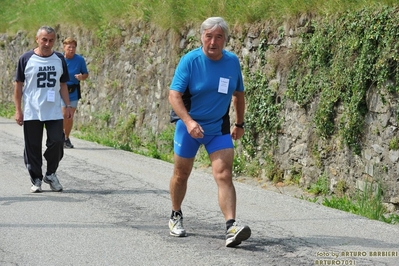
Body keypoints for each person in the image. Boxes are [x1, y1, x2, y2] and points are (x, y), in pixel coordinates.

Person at [168, 17, 251, 247]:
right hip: (190, 128)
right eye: (208, 36)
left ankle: (231, 226)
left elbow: (238, 94)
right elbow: (174, 95)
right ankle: (176, 214)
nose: (213, 41)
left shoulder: (232, 62)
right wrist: (188, 121)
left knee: (224, 174)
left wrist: (240, 123)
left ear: (225, 39)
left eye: (218, 37)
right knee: (181, 174)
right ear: (201, 37)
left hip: (218, 127)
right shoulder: (190, 61)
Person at [14, 26, 72, 193]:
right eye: (44, 39)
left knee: (57, 141)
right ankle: (36, 178)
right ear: (37, 39)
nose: (47, 43)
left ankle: (51, 173)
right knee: (32, 146)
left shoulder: (59, 59)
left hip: (53, 110)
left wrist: (67, 105)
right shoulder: (26, 58)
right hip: (32, 110)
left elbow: (62, 84)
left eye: (51, 40)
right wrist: (18, 110)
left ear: (55, 41)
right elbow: (18, 85)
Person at [61, 37, 89, 148]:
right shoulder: (59, 59)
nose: (71, 49)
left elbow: (86, 74)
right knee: (63, 114)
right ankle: (60, 136)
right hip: (61, 91)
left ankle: (66, 138)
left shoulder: (80, 60)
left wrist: (82, 77)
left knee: (69, 116)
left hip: (73, 91)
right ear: (64, 47)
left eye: (73, 47)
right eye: (69, 47)